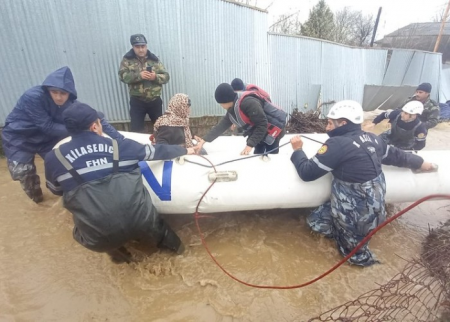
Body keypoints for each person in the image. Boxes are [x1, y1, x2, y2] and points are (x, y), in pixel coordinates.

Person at [44, 102, 198, 263]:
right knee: (156, 226)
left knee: (81, 224)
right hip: (142, 221)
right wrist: (187, 150)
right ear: (94, 127)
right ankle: (181, 254)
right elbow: (159, 151)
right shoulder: (121, 146)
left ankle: (123, 259)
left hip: (97, 238)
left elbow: (56, 191)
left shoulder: (54, 158)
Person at [290, 100, 436, 267]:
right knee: (316, 222)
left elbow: (307, 173)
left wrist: (298, 150)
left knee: (354, 256)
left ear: (343, 123)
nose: (327, 128)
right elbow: (397, 156)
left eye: (330, 123)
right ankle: (340, 229)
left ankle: (367, 265)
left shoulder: (336, 144)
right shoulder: (372, 138)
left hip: (358, 213)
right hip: (373, 206)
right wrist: (421, 163)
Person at [1, 66, 123, 203]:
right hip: (19, 136)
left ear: (70, 94)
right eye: (54, 92)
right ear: (48, 89)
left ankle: (70, 197)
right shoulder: (32, 97)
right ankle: (37, 199)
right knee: (23, 172)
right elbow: (47, 126)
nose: (59, 97)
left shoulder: (71, 104)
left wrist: (120, 141)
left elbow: (97, 120)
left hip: (47, 139)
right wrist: (82, 128)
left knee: (63, 165)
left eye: (63, 93)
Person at [196, 83, 287, 155]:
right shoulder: (232, 110)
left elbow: (262, 124)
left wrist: (249, 145)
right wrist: (203, 141)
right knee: (258, 155)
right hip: (261, 134)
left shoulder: (248, 103)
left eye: (221, 103)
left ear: (226, 100)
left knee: (270, 158)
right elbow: (220, 127)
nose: (221, 106)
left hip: (274, 131)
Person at [118, 33, 170, 132]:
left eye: (143, 46)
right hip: (137, 102)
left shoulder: (154, 60)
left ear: (146, 46)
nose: (141, 49)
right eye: (137, 47)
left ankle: (161, 147)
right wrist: (139, 76)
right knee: (136, 130)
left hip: (155, 101)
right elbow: (122, 76)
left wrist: (155, 77)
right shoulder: (127, 60)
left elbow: (166, 77)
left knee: (161, 129)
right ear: (133, 47)